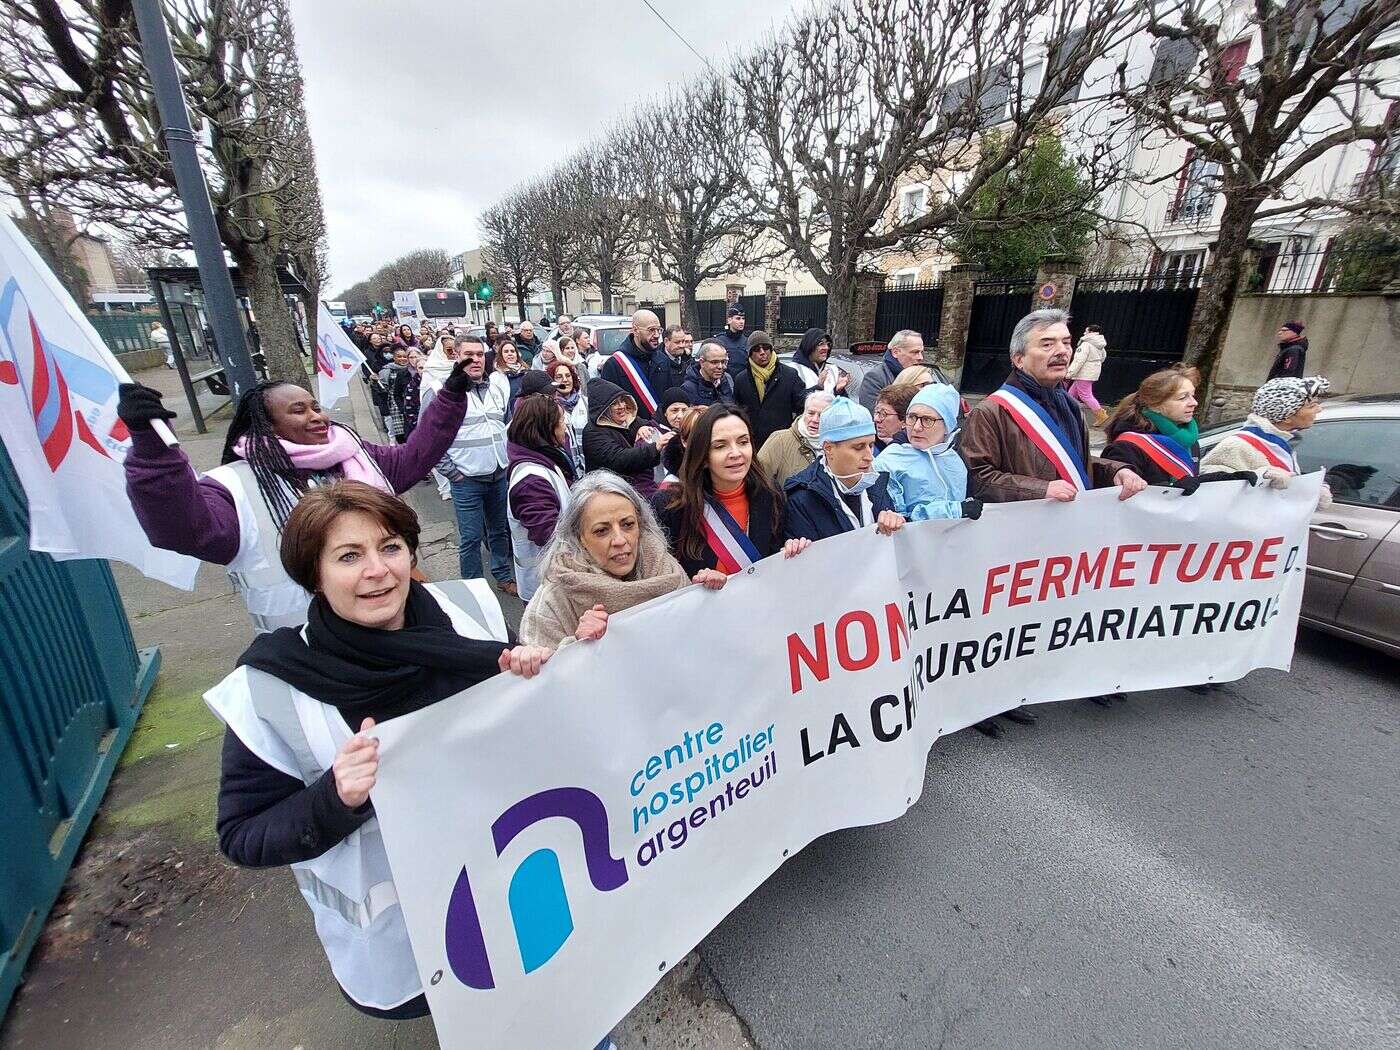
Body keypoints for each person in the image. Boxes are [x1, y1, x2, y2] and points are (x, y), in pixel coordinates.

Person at [207, 483, 549, 1020]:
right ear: (313, 575)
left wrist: (547, 676)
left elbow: (530, 730)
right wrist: (334, 797)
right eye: (348, 556)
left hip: (520, 886)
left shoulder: (472, 610)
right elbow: (242, 835)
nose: (377, 570)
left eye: (390, 547)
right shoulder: (270, 687)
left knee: (545, 1000)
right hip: (410, 944)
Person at [118, 368, 472, 633]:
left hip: (397, 628)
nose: (317, 416)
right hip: (308, 650)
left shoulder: (358, 456)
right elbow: (180, 527)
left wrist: (451, 397)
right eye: (299, 410)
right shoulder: (233, 486)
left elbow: (416, 454)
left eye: (316, 406)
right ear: (268, 426)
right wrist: (152, 449)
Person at [959, 309, 1146, 736]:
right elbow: (980, 478)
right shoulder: (992, 412)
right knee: (1002, 626)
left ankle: (1039, 683)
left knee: (1050, 616)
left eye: (1065, 342)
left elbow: (1077, 466)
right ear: (1019, 358)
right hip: (1013, 539)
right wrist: (1039, 489)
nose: (1061, 351)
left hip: (1061, 535)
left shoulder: (1070, 405)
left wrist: (1114, 470)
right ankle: (983, 700)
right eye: (1047, 343)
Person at [519, 472, 694, 649]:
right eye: (602, 530)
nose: (620, 540)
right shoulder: (553, 599)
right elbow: (542, 670)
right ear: (580, 538)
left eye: (628, 525)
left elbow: (694, 641)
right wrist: (576, 647)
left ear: (640, 525)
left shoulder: (668, 571)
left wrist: (708, 596)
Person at [653, 404, 811, 579]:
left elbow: (777, 562)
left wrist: (793, 551)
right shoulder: (670, 506)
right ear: (702, 456)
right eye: (720, 446)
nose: (736, 453)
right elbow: (661, 579)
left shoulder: (771, 494)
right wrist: (694, 585)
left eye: (743, 442)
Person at [420, 340, 517, 595]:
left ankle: (503, 577)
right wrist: (452, 472)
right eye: (468, 355)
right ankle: (473, 591)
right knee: (471, 539)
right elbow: (426, 438)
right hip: (467, 481)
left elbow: (503, 428)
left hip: (498, 476)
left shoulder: (495, 388)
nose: (475, 360)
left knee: (499, 532)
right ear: (456, 357)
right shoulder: (441, 391)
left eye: (479, 354)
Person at [783, 400, 906, 542]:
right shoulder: (803, 499)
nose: (869, 456)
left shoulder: (877, 483)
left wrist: (896, 524)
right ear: (828, 449)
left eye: (871, 445)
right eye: (859, 447)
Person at [1201, 376, 1331, 496]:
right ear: (1287, 416)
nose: (1319, 409)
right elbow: (1207, 482)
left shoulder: (1282, 442)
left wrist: (1310, 493)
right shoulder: (1237, 444)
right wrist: (1260, 476)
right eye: (1311, 406)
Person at [506, 393, 577, 600]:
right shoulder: (531, 482)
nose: (565, 427)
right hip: (546, 588)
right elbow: (549, 537)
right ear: (546, 429)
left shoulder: (542, 459)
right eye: (561, 422)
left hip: (556, 581)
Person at [874, 383, 981, 520]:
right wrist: (954, 511)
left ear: (947, 426)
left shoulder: (955, 461)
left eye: (927, 420)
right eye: (912, 417)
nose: (917, 427)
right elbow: (897, 522)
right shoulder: (889, 462)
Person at [1102, 365, 1203, 485]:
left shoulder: (1190, 440)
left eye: (1193, 395)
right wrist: (1172, 489)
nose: (1194, 403)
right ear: (1155, 405)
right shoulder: (1128, 446)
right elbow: (1117, 494)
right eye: (1182, 397)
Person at [582, 378, 670, 498]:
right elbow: (619, 459)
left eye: (622, 401)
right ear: (602, 409)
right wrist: (655, 447)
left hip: (636, 490)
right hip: (608, 494)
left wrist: (644, 427)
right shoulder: (593, 433)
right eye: (614, 403)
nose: (622, 406)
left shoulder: (631, 420)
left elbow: (652, 426)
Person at [734, 330, 807, 449]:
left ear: (771, 349)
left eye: (766, 348)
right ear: (750, 353)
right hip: (753, 443)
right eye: (757, 349)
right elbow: (738, 411)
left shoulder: (790, 375)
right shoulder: (741, 379)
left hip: (782, 443)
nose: (762, 352)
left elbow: (802, 405)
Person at [757, 389, 832, 486]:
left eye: (821, 416)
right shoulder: (780, 440)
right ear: (803, 413)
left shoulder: (837, 446)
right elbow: (758, 479)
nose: (815, 420)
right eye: (811, 413)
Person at [599, 309, 663, 420]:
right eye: (651, 330)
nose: (657, 335)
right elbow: (610, 408)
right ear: (635, 330)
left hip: (662, 431)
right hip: (630, 432)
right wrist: (638, 426)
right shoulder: (615, 365)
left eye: (659, 330)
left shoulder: (662, 360)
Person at [857, 330, 927, 412]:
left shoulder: (924, 376)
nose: (920, 357)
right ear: (895, 352)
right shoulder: (875, 378)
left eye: (921, 352)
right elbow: (875, 417)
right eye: (915, 352)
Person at [1065, 324, 1109, 426]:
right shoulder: (1100, 344)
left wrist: (1069, 373)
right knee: (1071, 394)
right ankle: (1066, 411)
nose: (1084, 332)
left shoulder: (1086, 344)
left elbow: (1079, 361)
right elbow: (1103, 357)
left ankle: (1100, 414)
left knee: (1085, 395)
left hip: (1083, 373)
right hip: (1091, 372)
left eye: (1086, 330)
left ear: (1090, 332)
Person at [552, 361, 589, 472]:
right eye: (559, 377)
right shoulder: (550, 408)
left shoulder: (586, 402)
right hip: (568, 470)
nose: (565, 380)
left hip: (590, 467)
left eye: (568, 376)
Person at [790, 328, 850, 396]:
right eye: (821, 344)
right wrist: (818, 387)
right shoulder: (792, 370)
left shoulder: (832, 369)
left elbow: (842, 403)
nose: (826, 348)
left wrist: (839, 390)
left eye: (828, 344)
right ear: (809, 346)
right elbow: (793, 401)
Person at [681, 341, 736, 406]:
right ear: (702, 362)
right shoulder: (688, 389)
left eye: (723, 362)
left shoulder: (726, 381)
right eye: (714, 362)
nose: (720, 366)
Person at [377, 347, 412, 441]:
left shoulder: (412, 370)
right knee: (399, 431)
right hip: (394, 403)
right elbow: (382, 389)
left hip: (410, 401)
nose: (402, 359)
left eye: (404, 356)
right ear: (394, 358)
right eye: (399, 356)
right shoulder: (387, 370)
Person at [649, 324, 692, 397]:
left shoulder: (689, 359)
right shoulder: (656, 362)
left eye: (683, 341)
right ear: (666, 341)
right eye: (677, 342)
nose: (682, 345)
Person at [873, 383, 917, 453]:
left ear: (905, 421)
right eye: (876, 412)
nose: (876, 419)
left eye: (884, 414)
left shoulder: (912, 451)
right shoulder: (868, 441)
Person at [711, 304, 750, 376]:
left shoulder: (747, 341)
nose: (742, 322)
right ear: (729, 320)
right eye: (738, 318)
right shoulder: (719, 340)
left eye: (743, 318)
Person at [493, 338, 529, 408]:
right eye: (506, 352)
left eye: (512, 351)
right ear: (501, 355)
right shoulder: (496, 377)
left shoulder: (526, 372)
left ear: (517, 354)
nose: (510, 354)